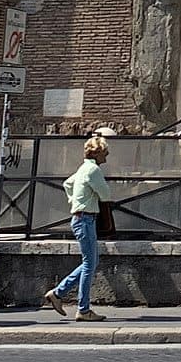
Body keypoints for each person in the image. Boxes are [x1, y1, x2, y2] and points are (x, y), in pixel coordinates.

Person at [43, 135, 114, 320]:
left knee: (91, 262)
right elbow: (106, 195)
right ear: (97, 153)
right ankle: (83, 309)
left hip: (81, 219)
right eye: (105, 152)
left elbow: (68, 184)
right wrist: (82, 201)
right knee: (90, 264)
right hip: (86, 220)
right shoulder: (93, 170)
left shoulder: (84, 168)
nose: (107, 156)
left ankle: (58, 293)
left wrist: (74, 200)